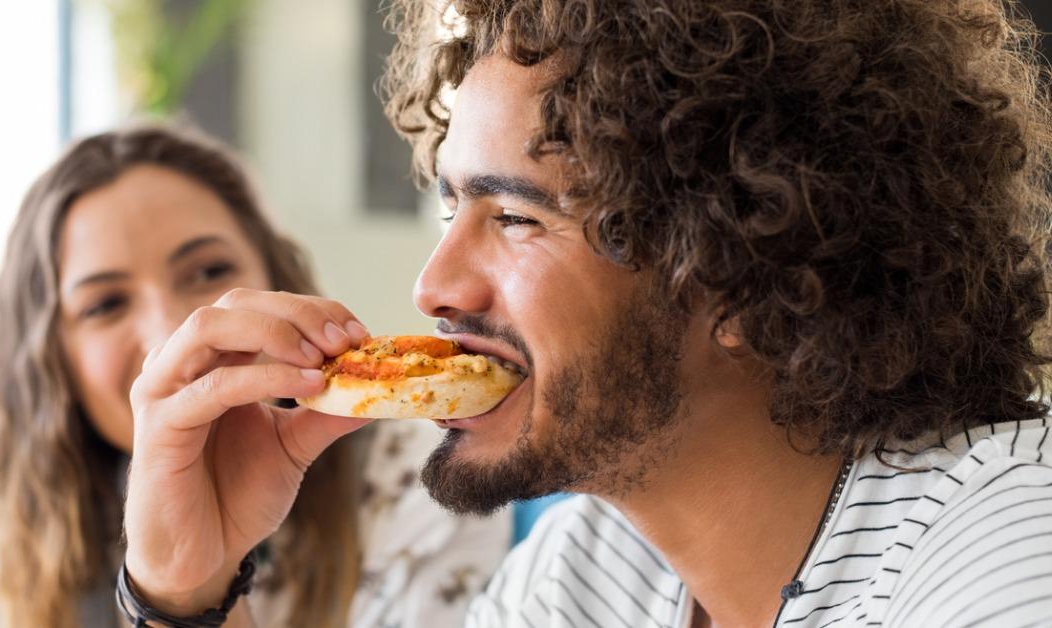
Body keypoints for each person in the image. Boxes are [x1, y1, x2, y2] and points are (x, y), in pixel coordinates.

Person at [116, 0, 1052, 626]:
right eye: (453, 209)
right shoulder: (596, 560)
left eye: (516, 218)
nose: (435, 286)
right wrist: (186, 591)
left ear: (742, 258)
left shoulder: (1005, 561)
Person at [0, 125, 510, 628]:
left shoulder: (426, 483)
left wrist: (196, 598)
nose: (173, 331)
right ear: (51, 363)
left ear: (276, 281)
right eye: (105, 304)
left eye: (208, 272)